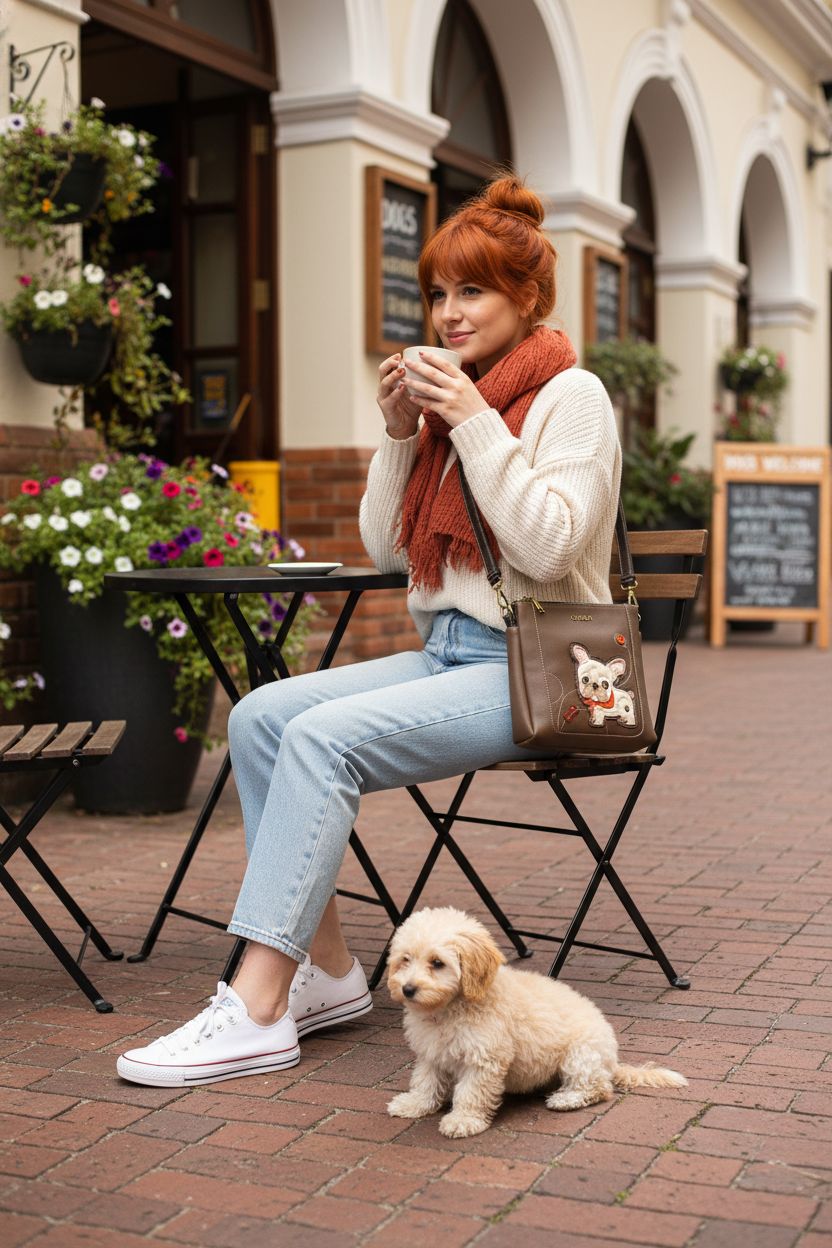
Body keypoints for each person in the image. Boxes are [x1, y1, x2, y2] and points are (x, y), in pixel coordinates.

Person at [117, 175, 620, 1087]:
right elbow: (389, 547)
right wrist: (400, 432)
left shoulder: (570, 396)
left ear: (526, 299)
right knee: (263, 715)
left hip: (542, 672)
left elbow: (547, 548)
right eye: (437, 293)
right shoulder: (448, 402)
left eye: (472, 292)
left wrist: (469, 422)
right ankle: (335, 975)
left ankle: (259, 1003)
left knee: (319, 741)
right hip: (449, 656)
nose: (449, 312)